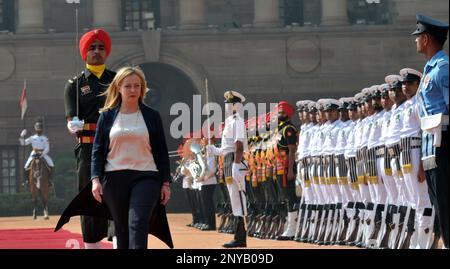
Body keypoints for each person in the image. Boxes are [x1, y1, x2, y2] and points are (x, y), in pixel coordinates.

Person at [87, 66, 172, 249]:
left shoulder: (152, 116)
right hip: (113, 179)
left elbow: (161, 152)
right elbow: (97, 150)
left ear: (142, 88)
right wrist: (95, 179)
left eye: (137, 86)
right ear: (118, 87)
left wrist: (165, 182)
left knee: (138, 222)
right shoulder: (107, 116)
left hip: (146, 177)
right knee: (122, 230)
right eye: (128, 86)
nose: (133, 90)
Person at [63, 29, 116, 249]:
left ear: (106, 52)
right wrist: (72, 124)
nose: (96, 51)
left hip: (114, 146)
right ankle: (91, 245)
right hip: (87, 148)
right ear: (85, 53)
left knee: (116, 194)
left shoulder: (117, 80)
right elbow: (71, 118)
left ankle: (118, 241)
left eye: (100, 47)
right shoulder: (74, 84)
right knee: (89, 197)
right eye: (92, 48)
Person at [411, 13, 449, 249]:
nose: (415, 41)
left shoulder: (443, 69)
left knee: (446, 204)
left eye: (417, 37)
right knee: (440, 204)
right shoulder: (430, 69)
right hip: (431, 148)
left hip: (444, 145)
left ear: (426, 39)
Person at [206, 90, 248, 248]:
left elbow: (239, 146)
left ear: (237, 106)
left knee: (238, 199)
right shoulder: (230, 122)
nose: (227, 107)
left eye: (230, 104)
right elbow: (226, 149)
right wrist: (213, 150)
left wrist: (237, 165)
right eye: (226, 105)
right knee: (233, 198)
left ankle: (241, 237)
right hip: (229, 160)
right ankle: (238, 236)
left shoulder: (237, 122)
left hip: (235, 161)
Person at [19, 120, 55, 187]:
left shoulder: (45, 138)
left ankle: (50, 180)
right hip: (34, 154)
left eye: (40, 128)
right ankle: (26, 181)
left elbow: (47, 148)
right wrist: (22, 136)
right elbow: (23, 143)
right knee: (26, 166)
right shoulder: (32, 138)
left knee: (51, 164)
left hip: (42, 154)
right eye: (38, 128)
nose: (39, 130)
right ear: (35, 129)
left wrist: (42, 154)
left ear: (42, 129)